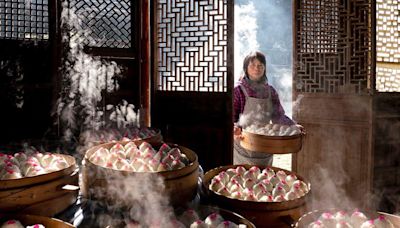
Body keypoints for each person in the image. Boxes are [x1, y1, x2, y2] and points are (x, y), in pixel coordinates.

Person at [233, 51, 297, 166]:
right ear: (245, 68)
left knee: (264, 180)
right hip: (243, 145)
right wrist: (234, 128)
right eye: (252, 65)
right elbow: (231, 117)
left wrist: (293, 126)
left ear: (264, 68)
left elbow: (278, 116)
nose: (256, 69)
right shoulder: (238, 90)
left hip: (265, 145)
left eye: (260, 65)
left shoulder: (270, 91)